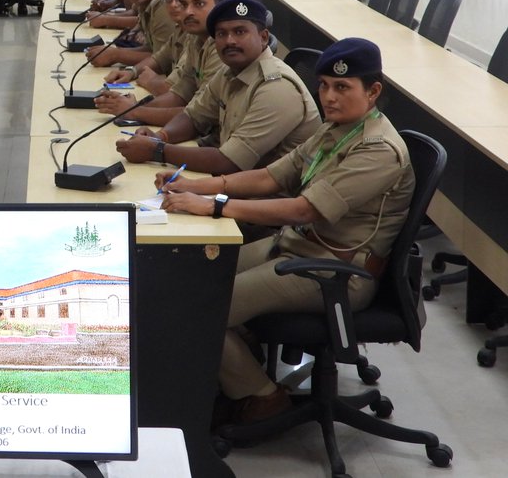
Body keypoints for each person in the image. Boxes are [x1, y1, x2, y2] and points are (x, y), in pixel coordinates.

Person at [156, 38, 413, 425]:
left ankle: (262, 396)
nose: (329, 96)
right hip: (295, 248)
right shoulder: (337, 129)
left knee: (195, 306)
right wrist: (196, 185)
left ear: (373, 91)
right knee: (191, 274)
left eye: (342, 87)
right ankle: (236, 370)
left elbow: (303, 209)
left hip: (335, 271)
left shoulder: (377, 149)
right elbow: (270, 176)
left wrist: (214, 205)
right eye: (324, 85)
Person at [116, 0, 321, 173]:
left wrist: (157, 150)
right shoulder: (229, 70)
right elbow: (193, 117)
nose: (229, 41)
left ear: (263, 37)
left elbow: (230, 161)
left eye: (240, 32)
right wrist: (161, 136)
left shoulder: (277, 87)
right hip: (233, 187)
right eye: (221, 34)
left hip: (262, 206)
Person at [95, 0, 229, 125]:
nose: (187, 11)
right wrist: (135, 106)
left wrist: (136, 111)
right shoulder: (196, 38)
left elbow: (197, 113)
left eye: (199, 4)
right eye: (184, 4)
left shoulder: (222, 48)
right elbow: (180, 94)